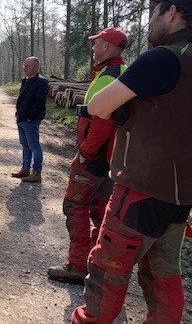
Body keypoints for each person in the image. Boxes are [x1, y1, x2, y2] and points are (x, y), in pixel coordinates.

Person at [71, 0, 192, 323]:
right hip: (179, 200)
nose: (151, 19)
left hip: (141, 191)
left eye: (156, 11)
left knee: (106, 272)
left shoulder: (164, 58)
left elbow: (98, 106)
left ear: (171, 12)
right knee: (163, 275)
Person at [48, 27, 128, 284]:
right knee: (100, 211)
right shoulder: (119, 73)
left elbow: (101, 123)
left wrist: (84, 153)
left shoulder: (108, 78)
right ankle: (99, 264)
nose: (93, 48)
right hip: (111, 159)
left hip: (94, 159)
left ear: (106, 46)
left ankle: (78, 265)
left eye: (96, 44)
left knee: (76, 206)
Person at [10, 56, 48, 183]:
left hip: (30, 120)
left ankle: (36, 172)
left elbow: (39, 103)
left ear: (36, 67)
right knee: (25, 145)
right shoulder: (26, 81)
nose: (24, 68)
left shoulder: (41, 82)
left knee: (34, 146)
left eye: (28, 66)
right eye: (24, 65)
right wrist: (18, 115)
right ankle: (25, 169)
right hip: (21, 118)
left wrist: (29, 118)